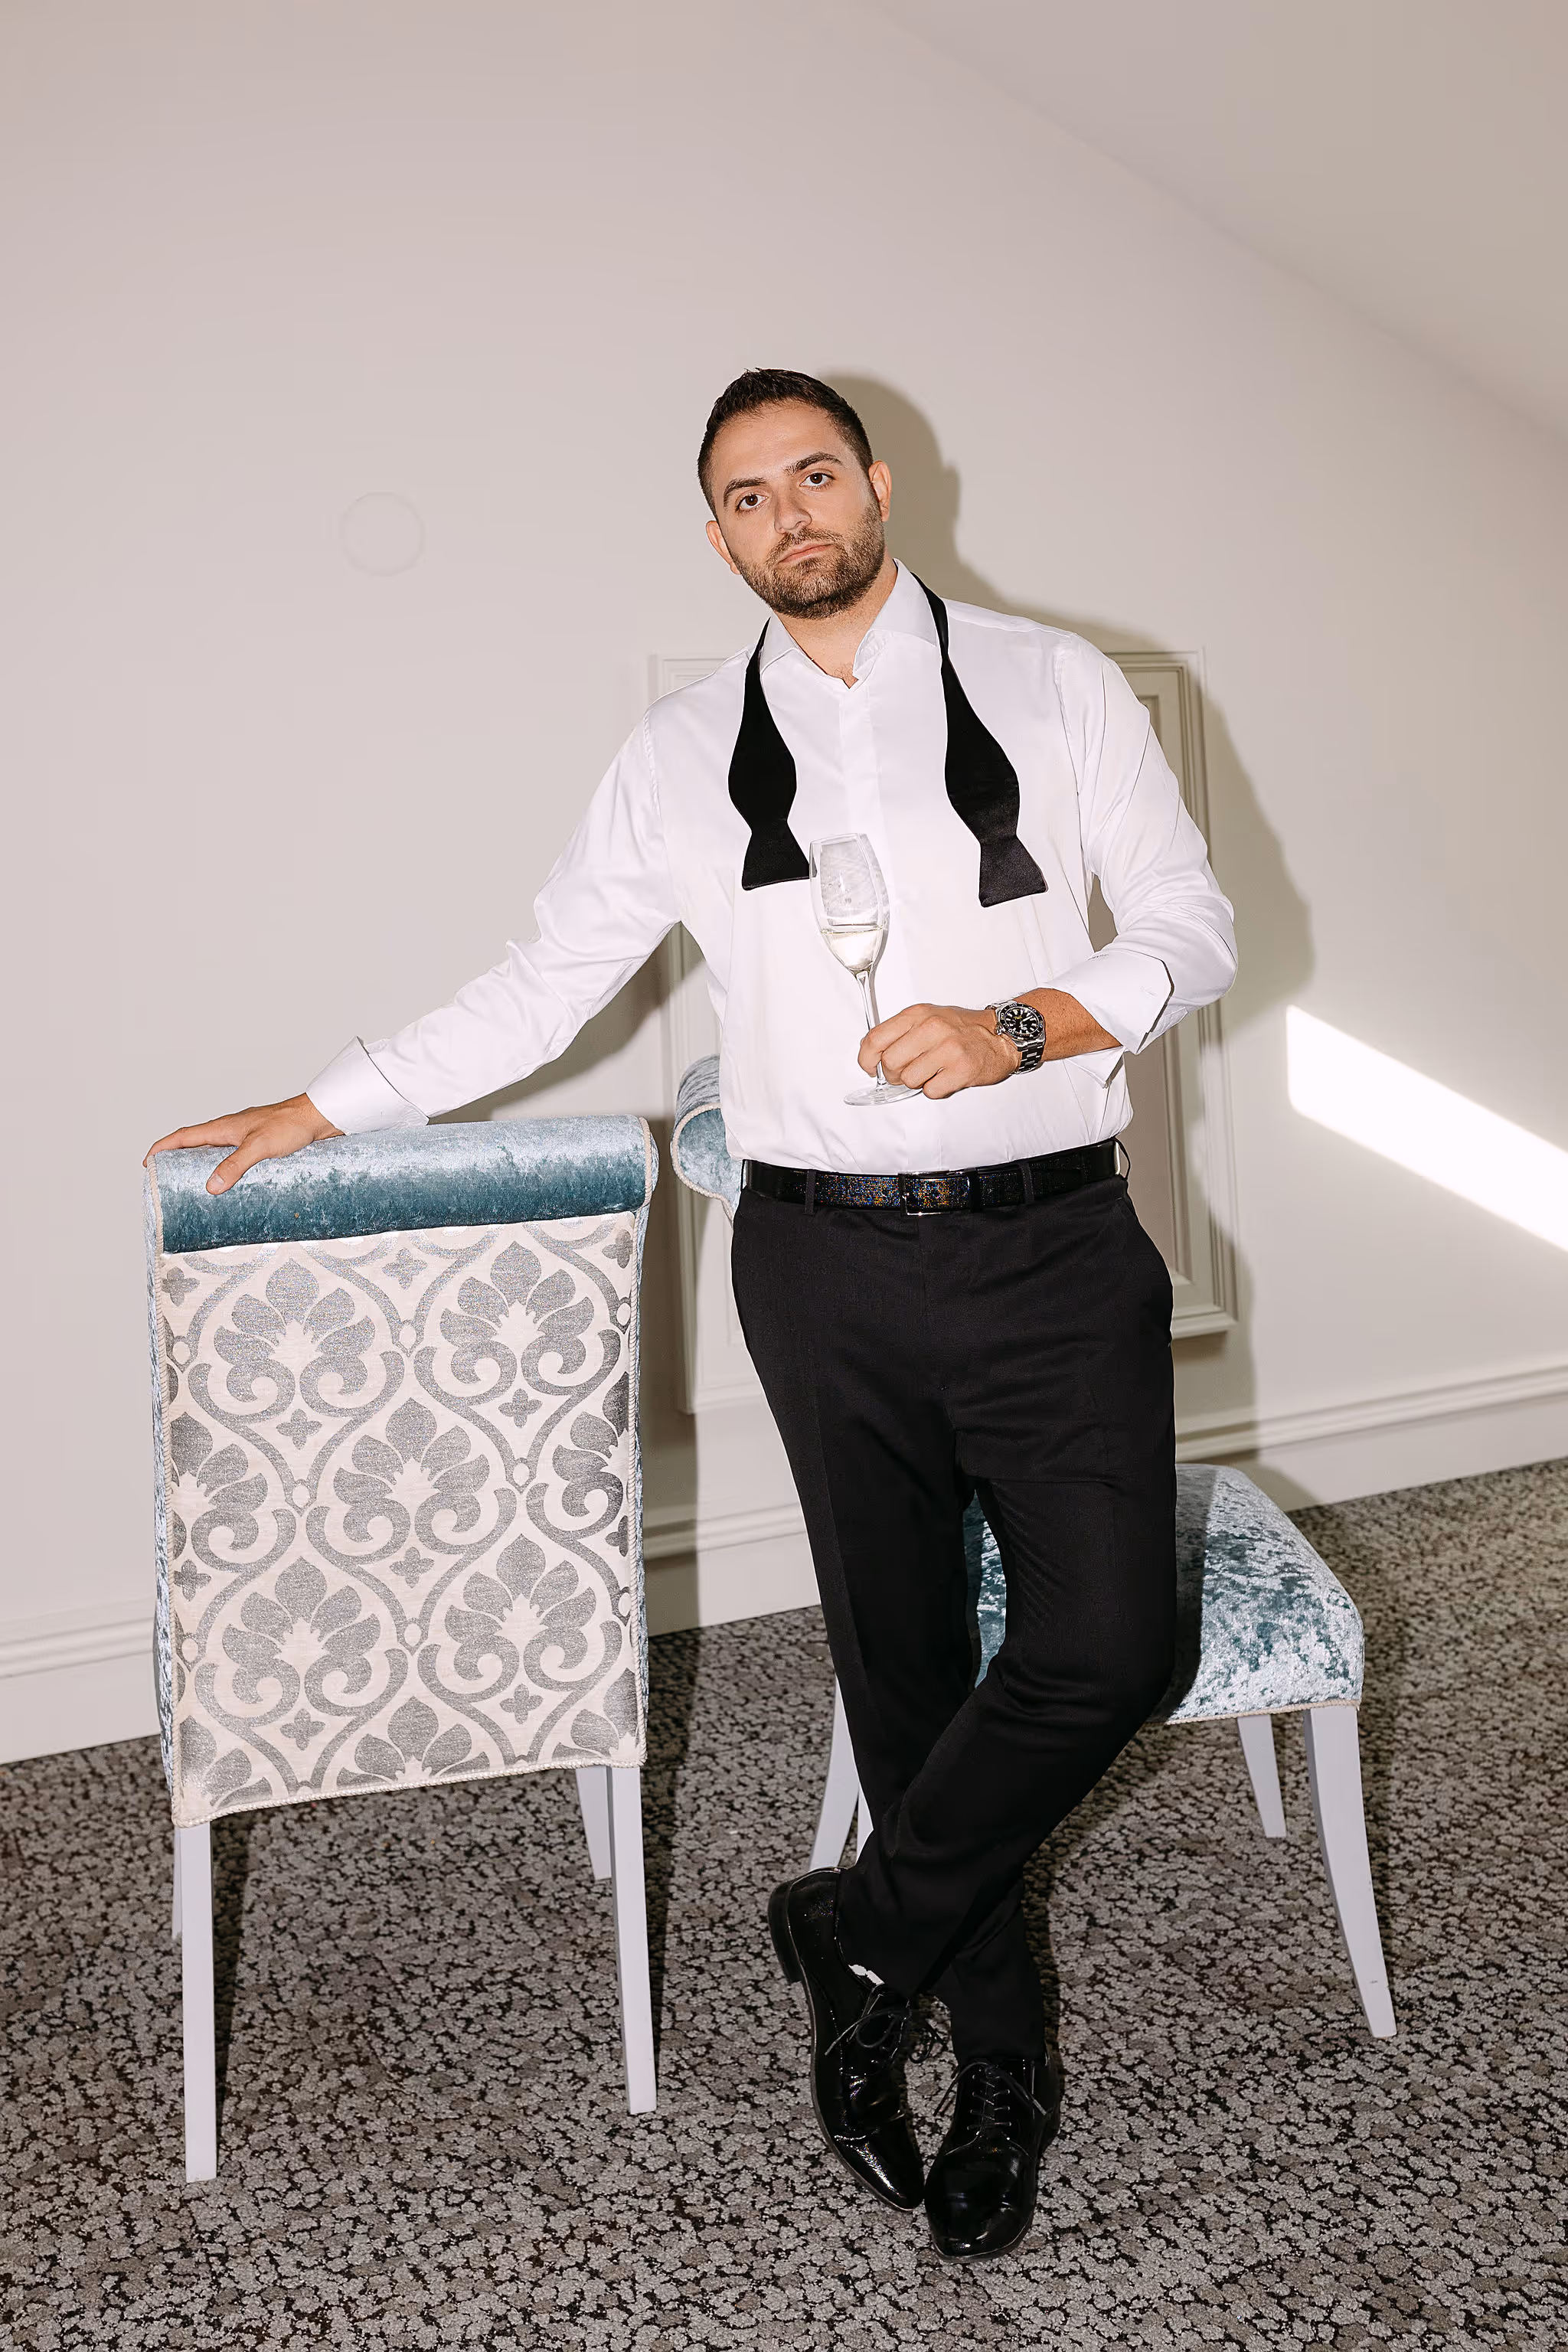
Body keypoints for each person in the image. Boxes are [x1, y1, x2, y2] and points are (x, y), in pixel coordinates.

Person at [147, 368, 1236, 2262]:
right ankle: (996, 2072)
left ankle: (858, 1926)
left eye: (816, 474)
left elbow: (1192, 928)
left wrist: (1020, 1026)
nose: (789, 514)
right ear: (719, 531)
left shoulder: (1056, 688)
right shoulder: (675, 757)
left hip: (1054, 1245)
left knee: (1112, 1639)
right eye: (747, 496)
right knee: (900, 1675)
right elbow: (540, 982)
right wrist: (323, 1101)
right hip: (820, 1270)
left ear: (881, 484)